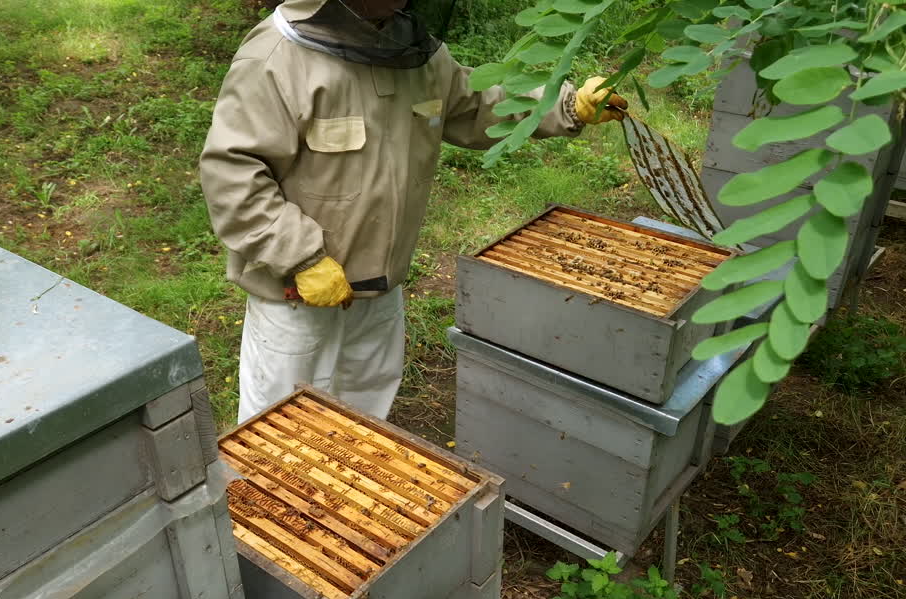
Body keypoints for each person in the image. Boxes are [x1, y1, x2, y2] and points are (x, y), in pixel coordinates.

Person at [200, 0, 627, 423]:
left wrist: (566, 106)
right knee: (279, 427)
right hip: (296, 295)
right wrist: (300, 257)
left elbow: (479, 105)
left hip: (380, 286)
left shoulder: (416, 52)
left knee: (364, 419)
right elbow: (233, 173)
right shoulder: (277, 56)